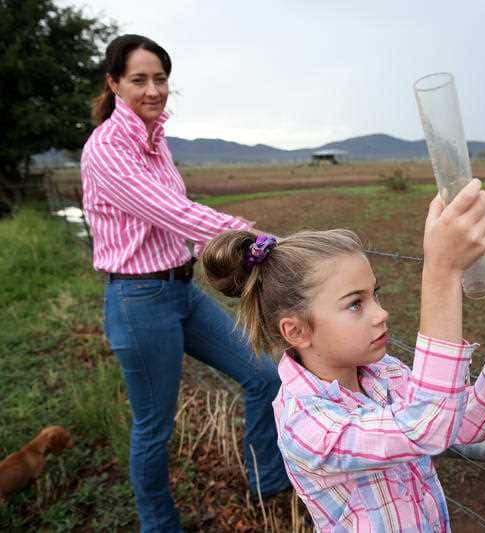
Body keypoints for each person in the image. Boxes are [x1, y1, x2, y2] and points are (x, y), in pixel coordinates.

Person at [202, 179, 485, 532]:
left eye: (375, 295)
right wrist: (441, 273)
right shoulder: (306, 424)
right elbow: (428, 427)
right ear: (296, 331)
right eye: (356, 303)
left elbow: (461, 425)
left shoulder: (382, 372)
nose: (381, 313)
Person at [80, 34, 290, 532]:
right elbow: (173, 212)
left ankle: (267, 481)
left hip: (180, 291)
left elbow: (174, 223)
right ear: (114, 84)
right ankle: (160, 525)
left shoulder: (156, 141)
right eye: (139, 80)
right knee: (155, 427)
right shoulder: (108, 148)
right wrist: (249, 238)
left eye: (160, 79)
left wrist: (227, 259)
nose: (153, 90)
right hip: (139, 300)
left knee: (265, 375)